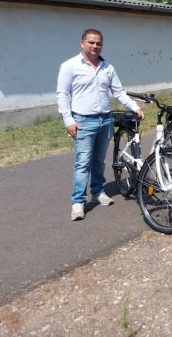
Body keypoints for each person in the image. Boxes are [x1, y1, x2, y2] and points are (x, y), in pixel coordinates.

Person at [57, 29, 143, 221]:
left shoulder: (107, 67)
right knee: (83, 163)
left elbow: (118, 92)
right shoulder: (70, 66)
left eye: (98, 43)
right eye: (91, 42)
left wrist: (135, 107)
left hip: (105, 119)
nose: (95, 46)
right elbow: (62, 95)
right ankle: (78, 201)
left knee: (99, 160)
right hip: (82, 121)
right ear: (82, 43)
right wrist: (69, 121)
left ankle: (97, 192)